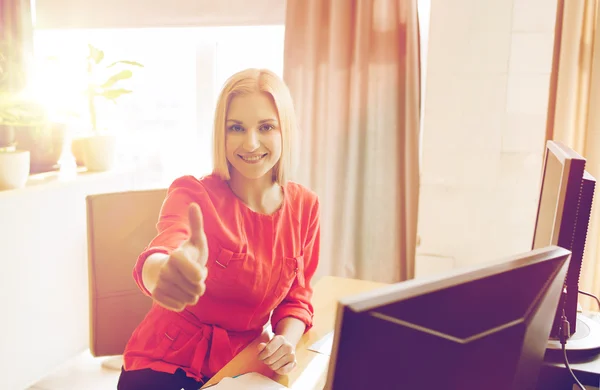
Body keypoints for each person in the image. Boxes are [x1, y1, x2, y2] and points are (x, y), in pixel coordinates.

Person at [117, 68, 321, 390]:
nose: (251, 143)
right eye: (236, 128)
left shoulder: (305, 206)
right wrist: (165, 272)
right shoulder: (192, 193)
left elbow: (297, 297)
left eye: (266, 126)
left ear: (286, 131)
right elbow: (165, 246)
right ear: (220, 134)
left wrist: (286, 340)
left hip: (242, 367)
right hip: (164, 365)